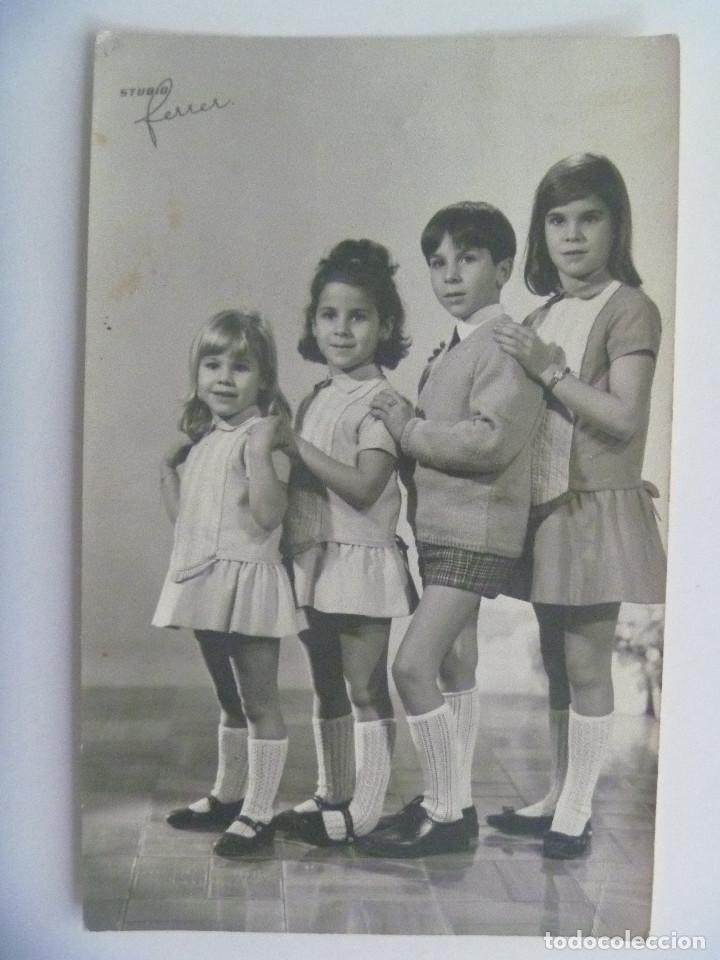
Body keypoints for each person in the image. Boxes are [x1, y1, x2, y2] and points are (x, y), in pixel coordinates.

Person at [487, 153, 667, 859]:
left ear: (616, 226)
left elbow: (624, 417)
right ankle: (557, 794)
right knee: (557, 664)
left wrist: (548, 367)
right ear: (541, 232)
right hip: (547, 509)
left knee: (588, 665)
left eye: (590, 218)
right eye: (557, 220)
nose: (572, 234)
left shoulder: (630, 307)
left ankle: (578, 809)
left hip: (595, 510)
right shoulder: (543, 314)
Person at [364, 203, 544, 858]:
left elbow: (490, 440)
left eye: (467, 258)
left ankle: (449, 813)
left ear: (504, 267)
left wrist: (408, 429)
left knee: (412, 666)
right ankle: (451, 796)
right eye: (438, 262)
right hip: (445, 528)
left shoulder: (503, 345)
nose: (450, 274)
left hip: (476, 528)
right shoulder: (455, 346)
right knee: (455, 663)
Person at [276, 239, 417, 846]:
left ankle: (367, 807)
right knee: (326, 683)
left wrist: (294, 445)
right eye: (329, 315)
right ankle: (332, 792)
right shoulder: (316, 397)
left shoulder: (382, 403)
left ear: (384, 326)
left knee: (364, 686)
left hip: (360, 559)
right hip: (315, 555)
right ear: (313, 323)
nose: (341, 329)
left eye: (358, 316)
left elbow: (365, 487)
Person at [152, 310, 301, 858]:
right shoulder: (209, 439)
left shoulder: (260, 436)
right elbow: (189, 524)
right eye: (212, 364)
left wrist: (260, 453)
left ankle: (259, 812)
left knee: (259, 701)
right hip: (207, 579)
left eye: (240, 367)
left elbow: (269, 515)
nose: (223, 377)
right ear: (196, 374)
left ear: (264, 380)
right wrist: (168, 472)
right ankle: (229, 795)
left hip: (249, 582)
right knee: (228, 698)